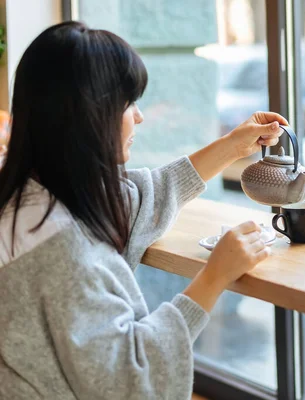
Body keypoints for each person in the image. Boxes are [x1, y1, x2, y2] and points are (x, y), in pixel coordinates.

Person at [0, 21, 287, 400]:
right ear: (90, 115)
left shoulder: (29, 198)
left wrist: (234, 146)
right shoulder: (60, 249)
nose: (139, 117)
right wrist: (214, 276)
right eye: (128, 104)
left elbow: (140, 194)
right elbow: (128, 383)